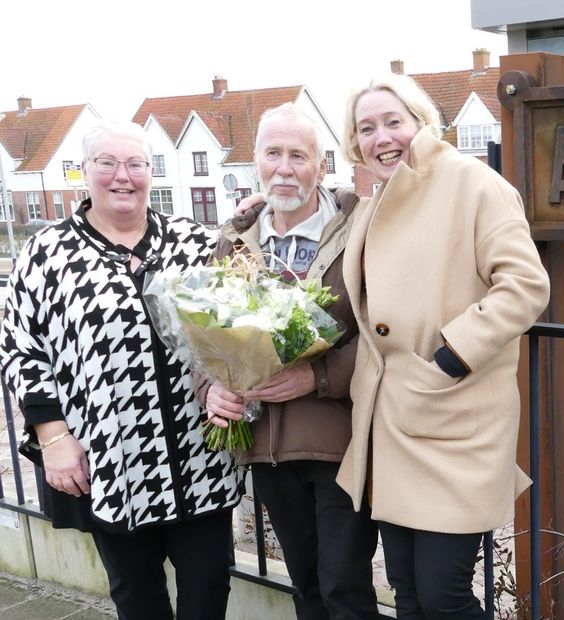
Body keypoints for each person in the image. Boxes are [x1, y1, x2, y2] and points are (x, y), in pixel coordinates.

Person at [0, 121, 241, 619]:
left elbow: (237, 323)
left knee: (209, 590)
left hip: (200, 459)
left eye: (135, 164)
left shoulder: (193, 242)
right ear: (85, 172)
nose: (122, 176)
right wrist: (53, 437)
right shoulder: (48, 254)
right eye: (107, 163)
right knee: (137, 596)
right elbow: (21, 350)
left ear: (150, 173)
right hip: (113, 462)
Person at [336, 74, 550, 619]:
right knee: (407, 593)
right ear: (353, 141)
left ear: (420, 121)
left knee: (443, 595)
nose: (382, 137)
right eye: (367, 128)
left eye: (393, 121)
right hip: (390, 424)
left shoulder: (472, 183)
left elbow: (526, 286)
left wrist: (451, 357)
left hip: (453, 419)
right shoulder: (375, 198)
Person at [202, 102, 379, 620]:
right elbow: (208, 336)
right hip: (267, 449)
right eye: (273, 153)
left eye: (298, 156)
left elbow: (384, 332)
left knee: (345, 588)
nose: (284, 167)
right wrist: (209, 390)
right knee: (305, 587)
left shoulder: (360, 231)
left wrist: (318, 375)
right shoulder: (236, 240)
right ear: (255, 162)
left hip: (338, 442)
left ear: (320, 167)